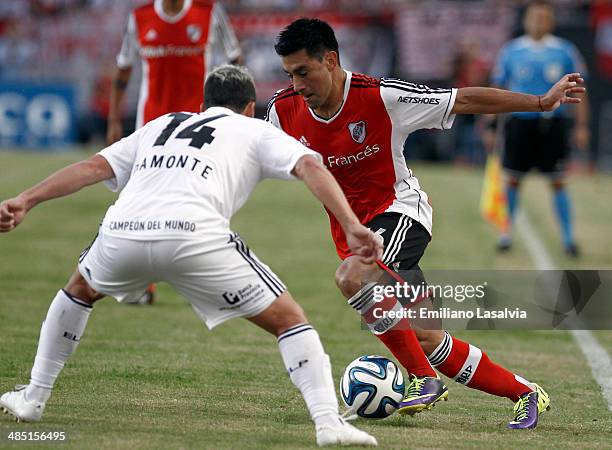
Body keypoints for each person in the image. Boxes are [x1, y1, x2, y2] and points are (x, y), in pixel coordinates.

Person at [0, 65, 381, 447]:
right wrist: (350, 224)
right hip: (195, 236)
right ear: (250, 107)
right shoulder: (256, 128)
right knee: (290, 320)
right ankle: (328, 423)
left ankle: (34, 397)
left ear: (202, 105)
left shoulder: (162, 124)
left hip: (124, 232)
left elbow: (92, 167)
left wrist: (26, 199)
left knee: (79, 290)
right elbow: (309, 165)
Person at [266, 18, 584, 429]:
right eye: (289, 75)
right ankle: (525, 393)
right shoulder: (283, 111)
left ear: (330, 60)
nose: (297, 85)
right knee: (427, 338)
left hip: (401, 213)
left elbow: (463, 100)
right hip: (353, 232)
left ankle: (421, 380)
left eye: (303, 73)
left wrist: (541, 103)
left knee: (352, 276)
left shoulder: (381, 96)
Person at [107, 0, 242, 303]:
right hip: (151, 128)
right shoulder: (139, 17)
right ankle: (142, 284)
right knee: (143, 201)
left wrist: (236, 114)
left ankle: (212, 278)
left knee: (207, 199)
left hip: (200, 126)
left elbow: (235, 60)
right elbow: (123, 70)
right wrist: (114, 120)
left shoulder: (208, 12)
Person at [492, 0, 589, 256]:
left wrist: (581, 126)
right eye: (535, 17)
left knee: (557, 181)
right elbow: (498, 90)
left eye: (544, 17)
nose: (539, 21)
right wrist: (491, 125)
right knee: (512, 179)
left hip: (552, 125)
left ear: (551, 21)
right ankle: (505, 233)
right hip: (519, 123)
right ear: (526, 20)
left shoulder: (565, 50)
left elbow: (580, 90)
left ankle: (568, 239)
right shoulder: (511, 50)